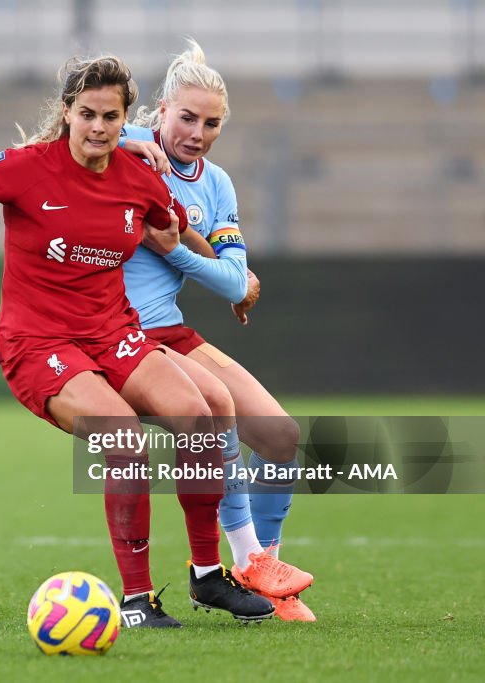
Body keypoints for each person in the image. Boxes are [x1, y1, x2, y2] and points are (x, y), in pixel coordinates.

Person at [0, 55, 274, 626]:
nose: (98, 126)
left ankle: (207, 576)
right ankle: (139, 600)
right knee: (124, 438)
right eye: (87, 113)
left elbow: (173, 224)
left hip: (112, 333)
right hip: (37, 343)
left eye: (110, 116)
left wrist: (235, 277)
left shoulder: (137, 173)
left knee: (199, 415)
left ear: (125, 121)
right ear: (67, 112)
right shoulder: (24, 168)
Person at [119, 40, 315, 621]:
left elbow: (234, 283)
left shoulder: (217, 184)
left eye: (211, 123)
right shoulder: (126, 151)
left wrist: (174, 247)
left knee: (280, 435)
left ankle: (266, 578)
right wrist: (130, 140)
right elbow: (77, 138)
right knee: (217, 415)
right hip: (119, 335)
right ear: (159, 112)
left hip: (173, 333)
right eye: (186, 117)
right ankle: (246, 559)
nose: (197, 132)